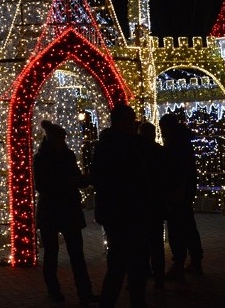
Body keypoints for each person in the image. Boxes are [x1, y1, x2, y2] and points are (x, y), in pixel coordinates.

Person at [90, 103, 152, 308]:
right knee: (118, 263)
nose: (130, 123)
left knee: (138, 261)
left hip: (135, 211)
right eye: (126, 120)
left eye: (131, 119)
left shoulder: (135, 143)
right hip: (118, 212)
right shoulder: (109, 145)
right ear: (116, 122)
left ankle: (137, 299)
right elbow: (101, 178)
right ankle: (109, 302)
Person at [33, 120, 98, 305]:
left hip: (68, 210)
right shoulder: (42, 158)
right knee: (52, 255)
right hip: (52, 211)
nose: (63, 141)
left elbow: (75, 177)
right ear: (53, 139)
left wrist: (82, 180)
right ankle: (54, 291)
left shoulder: (67, 156)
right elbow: (42, 185)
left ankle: (85, 292)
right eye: (61, 138)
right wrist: (69, 182)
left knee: (77, 254)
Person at [159, 113, 203, 280]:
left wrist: (174, 188)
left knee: (177, 228)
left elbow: (175, 168)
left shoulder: (174, 143)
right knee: (188, 225)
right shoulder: (182, 141)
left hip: (177, 191)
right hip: (184, 190)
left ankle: (179, 263)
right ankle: (195, 260)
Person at [138, 120, 166, 289]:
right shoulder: (160, 151)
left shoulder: (137, 153)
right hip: (155, 203)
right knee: (155, 242)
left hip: (142, 203)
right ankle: (159, 277)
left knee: (142, 241)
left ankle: (143, 272)